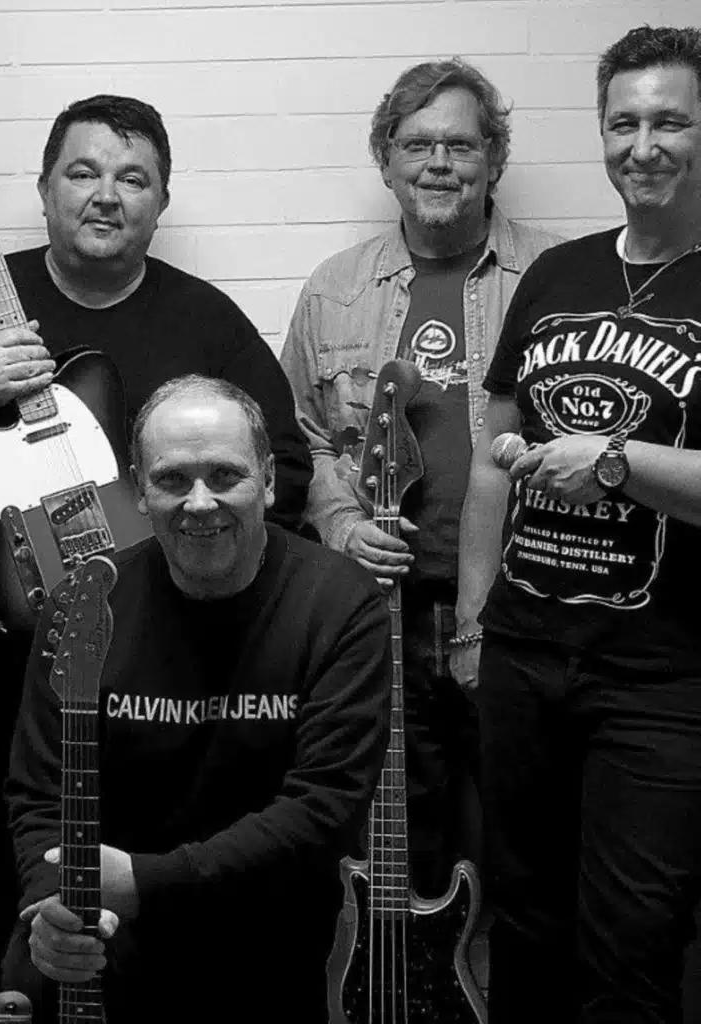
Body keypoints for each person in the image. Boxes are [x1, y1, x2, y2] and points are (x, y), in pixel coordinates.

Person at [0, 94, 312, 1020]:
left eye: (134, 178)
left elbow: (285, 469)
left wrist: (181, 543)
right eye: (84, 172)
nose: (107, 194)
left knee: (159, 891)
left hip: (171, 679)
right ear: (45, 187)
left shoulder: (206, 319)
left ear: (161, 199)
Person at [2, 375, 390, 1023]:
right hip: (110, 932)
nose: (201, 502)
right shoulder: (86, 602)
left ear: (269, 480)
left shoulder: (340, 603)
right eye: (173, 479)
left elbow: (324, 809)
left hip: (267, 938)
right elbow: (40, 793)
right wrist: (57, 906)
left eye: (226, 476)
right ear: (139, 490)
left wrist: (146, 883)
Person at [454, 25, 701, 1023]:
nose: (643, 146)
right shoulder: (556, 275)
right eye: (622, 123)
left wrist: (616, 461)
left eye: (670, 121)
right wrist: (473, 621)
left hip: (662, 679)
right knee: (521, 925)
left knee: (631, 946)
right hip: (523, 658)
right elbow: (491, 456)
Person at [279, 59, 560, 896]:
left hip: (525, 609)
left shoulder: (557, 279)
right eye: (417, 144)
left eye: (461, 145)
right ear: (387, 161)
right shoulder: (335, 290)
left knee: (537, 837)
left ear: (494, 159)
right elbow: (299, 439)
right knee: (402, 843)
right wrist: (340, 524)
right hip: (382, 614)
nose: (439, 163)